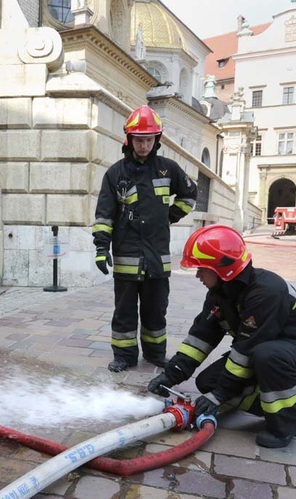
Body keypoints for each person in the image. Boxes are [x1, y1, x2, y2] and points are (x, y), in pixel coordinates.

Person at [148, 225, 296, 448]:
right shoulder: (220, 294)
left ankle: (286, 426)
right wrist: (171, 375)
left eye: (201, 269)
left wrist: (218, 397)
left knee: (268, 356)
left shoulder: (266, 292)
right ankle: (264, 402)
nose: (198, 275)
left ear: (221, 269)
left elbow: (245, 350)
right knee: (207, 382)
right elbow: (200, 339)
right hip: (260, 351)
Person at [92, 105, 197, 373]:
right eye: (139, 139)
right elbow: (104, 215)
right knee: (124, 311)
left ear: (157, 140)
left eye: (149, 139)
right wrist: (101, 250)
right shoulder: (115, 173)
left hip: (157, 258)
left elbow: (189, 195)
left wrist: (169, 217)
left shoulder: (168, 169)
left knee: (155, 311)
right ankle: (124, 357)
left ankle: (155, 354)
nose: (144, 145)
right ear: (130, 139)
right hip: (127, 256)